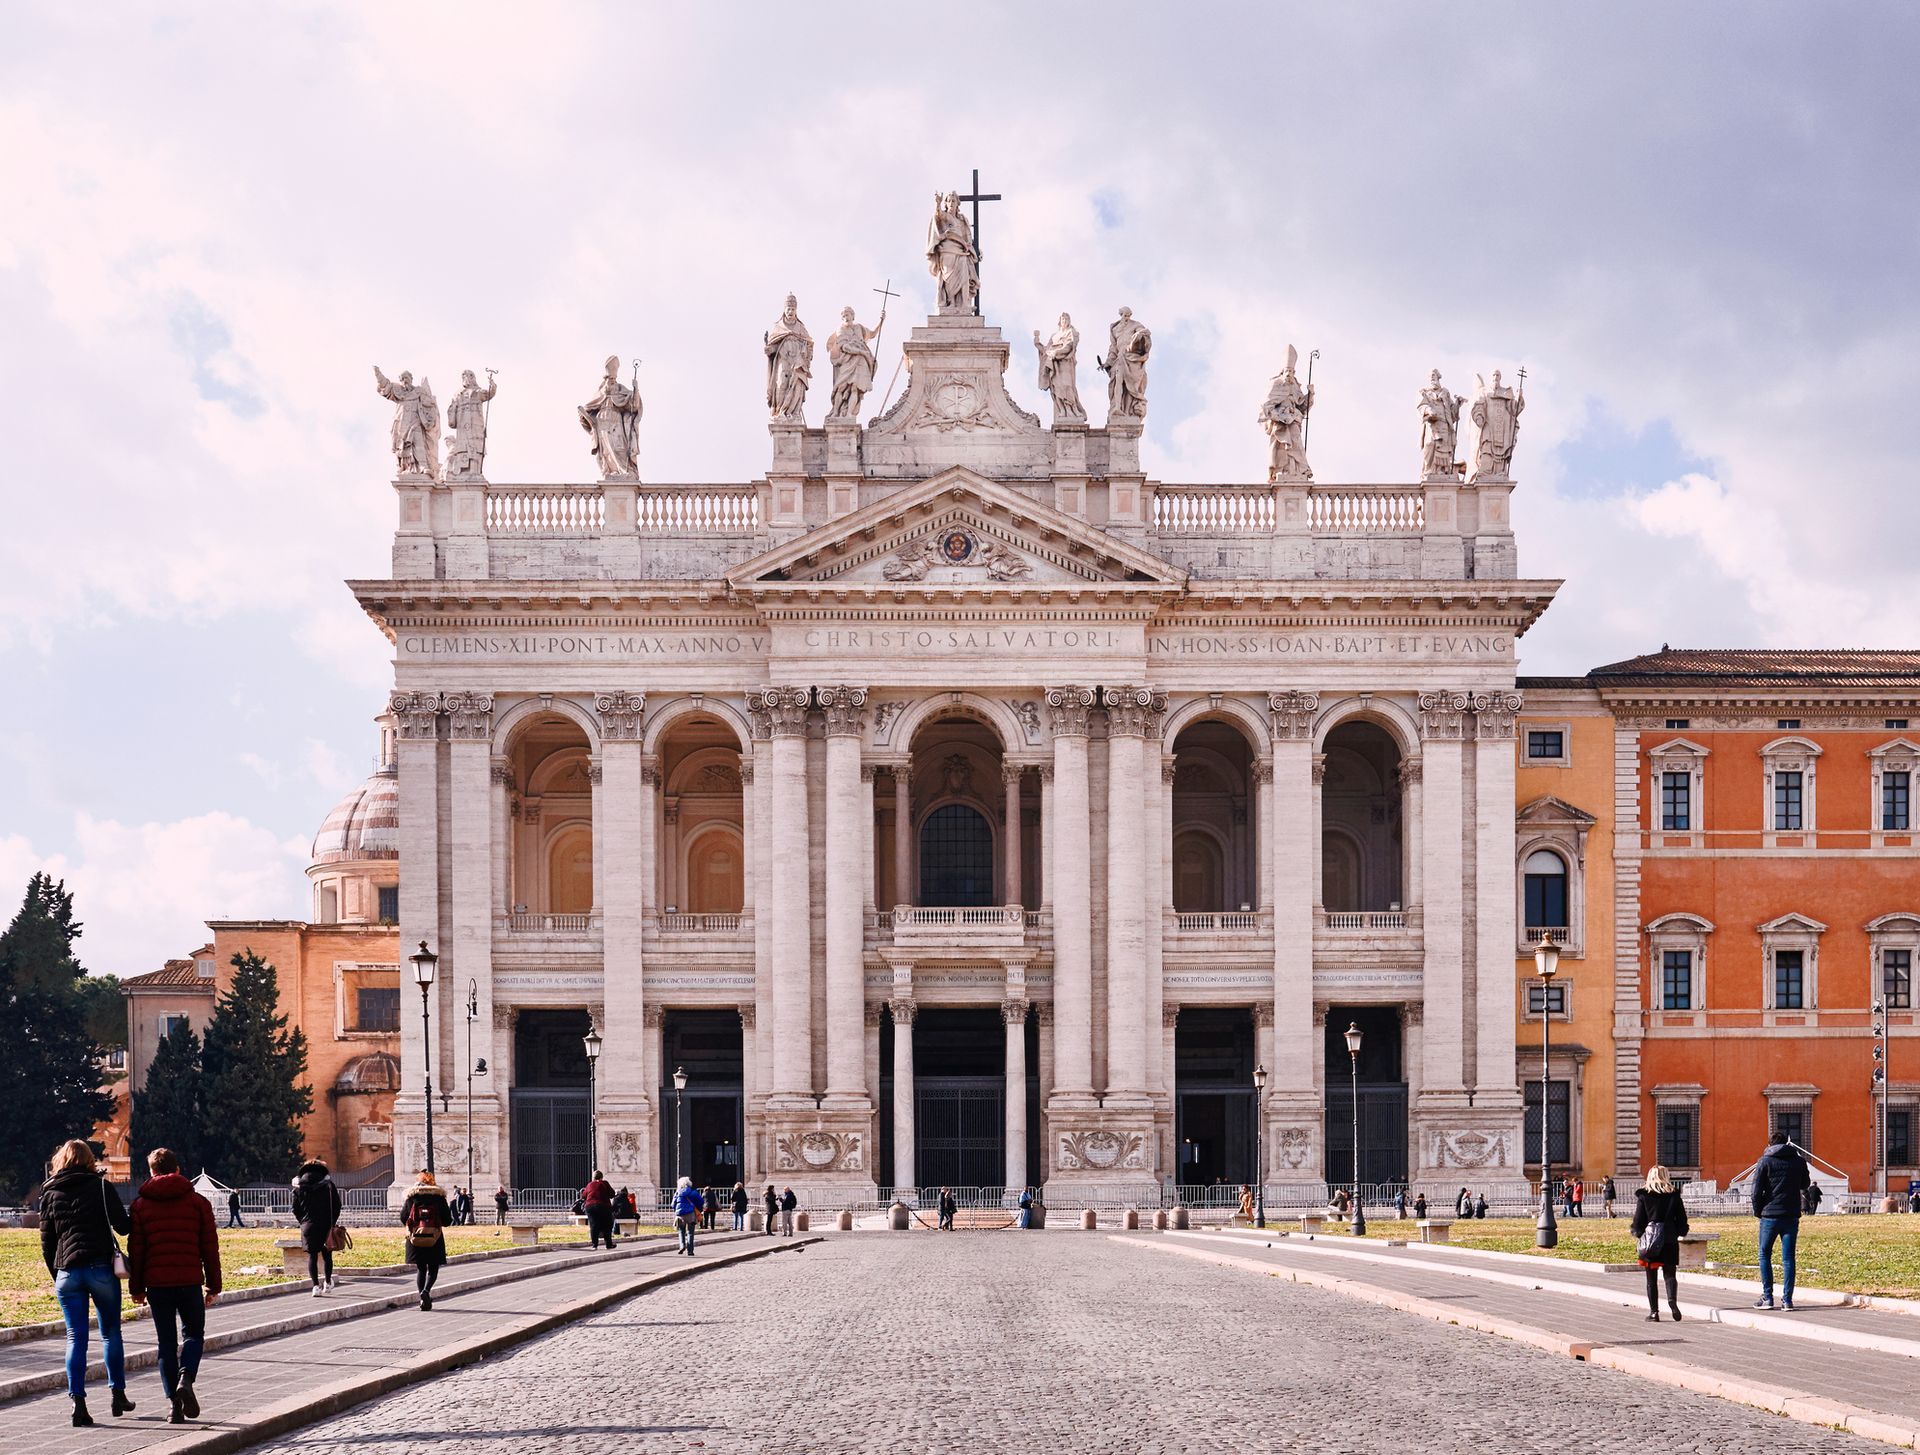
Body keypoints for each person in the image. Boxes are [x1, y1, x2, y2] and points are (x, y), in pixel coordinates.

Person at [40, 1140, 134, 1427]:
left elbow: (47, 1242)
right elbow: (123, 1226)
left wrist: (59, 1275)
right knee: (110, 1333)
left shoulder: (49, 1192)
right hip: (100, 1268)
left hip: (67, 1271)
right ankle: (118, 1394)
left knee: (75, 1337)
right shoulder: (101, 1187)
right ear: (89, 1160)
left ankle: (78, 1403)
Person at [128, 1148, 221, 1424]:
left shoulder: (140, 1206)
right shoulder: (198, 1203)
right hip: (190, 1280)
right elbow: (210, 1248)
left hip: (157, 1284)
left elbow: (137, 1251)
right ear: (178, 1170)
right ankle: (186, 1377)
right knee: (193, 1335)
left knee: (166, 1344)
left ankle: (174, 1407)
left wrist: (137, 1288)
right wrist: (213, 1285)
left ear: (152, 1172)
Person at [1751, 1128, 1811, 1311]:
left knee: (1764, 1255)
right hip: (1791, 1214)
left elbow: (1755, 1191)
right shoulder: (1799, 1161)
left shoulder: (1764, 1162)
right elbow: (1805, 1184)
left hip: (1769, 1215)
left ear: (1769, 1144)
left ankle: (1768, 1297)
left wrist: (1758, 1211)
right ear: (1787, 1143)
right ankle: (1787, 1300)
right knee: (1788, 1259)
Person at [1631, 1165, 1689, 1322]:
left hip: (1651, 1242)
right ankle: (1672, 1301)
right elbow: (1682, 1220)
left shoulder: (1644, 1196)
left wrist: (1638, 1234)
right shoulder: (1674, 1195)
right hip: (1669, 1239)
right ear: (1666, 1176)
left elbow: (1638, 1221)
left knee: (1651, 1279)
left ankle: (1654, 1312)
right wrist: (1680, 1231)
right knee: (1670, 1274)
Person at [291, 1159, 343, 1296]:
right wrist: (332, 1221)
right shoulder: (329, 1185)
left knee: (312, 1256)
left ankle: (315, 1286)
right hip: (326, 1224)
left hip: (308, 1225)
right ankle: (327, 1282)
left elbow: (295, 1209)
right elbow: (337, 1206)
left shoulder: (298, 1187)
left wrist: (303, 1221)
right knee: (327, 1255)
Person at [401, 1170, 452, 1310]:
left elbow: (403, 1218)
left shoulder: (412, 1197)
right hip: (434, 1238)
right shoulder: (438, 1196)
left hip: (416, 1238)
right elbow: (448, 1220)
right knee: (433, 1268)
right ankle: (426, 1291)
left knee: (421, 1268)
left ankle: (422, 1298)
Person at [580, 1168, 617, 1250]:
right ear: (601, 1177)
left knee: (594, 1225)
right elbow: (612, 1194)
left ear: (593, 1177)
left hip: (590, 1206)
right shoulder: (604, 1183)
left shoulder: (589, 1184)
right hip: (603, 1206)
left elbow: (583, 1196)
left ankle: (594, 1245)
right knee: (607, 1225)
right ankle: (608, 1244)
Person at [672, 1177, 705, 1255]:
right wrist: (698, 1209)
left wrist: (676, 1210)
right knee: (690, 1232)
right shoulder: (693, 1192)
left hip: (680, 1215)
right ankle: (690, 1251)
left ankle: (682, 1246)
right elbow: (701, 1201)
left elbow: (673, 1204)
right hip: (691, 1214)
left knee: (681, 1231)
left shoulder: (678, 1193)